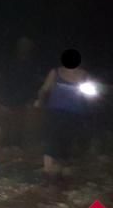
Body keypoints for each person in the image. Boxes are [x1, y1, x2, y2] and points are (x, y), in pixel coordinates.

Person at [34, 52, 97, 185]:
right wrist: (39, 100)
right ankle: (47, 171)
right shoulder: (55, 72)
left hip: (75, 114)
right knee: (51, 138)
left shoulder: (84, 75)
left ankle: (62, 171)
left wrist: (89, 97)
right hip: (55, 112)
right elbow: (44, 89)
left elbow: (91, 94)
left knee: (67, 141)